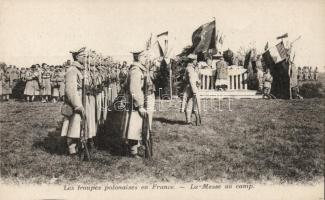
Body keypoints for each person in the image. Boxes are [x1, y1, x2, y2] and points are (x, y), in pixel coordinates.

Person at [121, 50, 150, 158]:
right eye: (144, 56)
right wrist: (140, 106)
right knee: (134, 127)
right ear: (139, 57)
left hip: (137, 101)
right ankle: (133, 151)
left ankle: (135, 147)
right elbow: (134, 89)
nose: (146, 58)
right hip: (135, 103)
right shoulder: (136, 70)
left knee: (137, 126)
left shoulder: (139, 69)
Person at [60, 47, 86, 155]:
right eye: (83, 56)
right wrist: (77, 105)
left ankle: (77, 146)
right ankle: (71, 149)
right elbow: (70, 90)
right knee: (73, 125)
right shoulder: (72, 70)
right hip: (75, 101)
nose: (85, 58)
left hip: (80, 99)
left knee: (78, 125)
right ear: (77, 57)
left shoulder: (79, 69)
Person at [181, 54, 201, 125]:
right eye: (195, 60)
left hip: (193, 87)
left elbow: (196, 78)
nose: (196, 61)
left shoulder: (193, 68)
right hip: (191, 88)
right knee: (193, 104)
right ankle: (193, 120)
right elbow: (191, 80)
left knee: (191, 103)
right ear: (193, 61)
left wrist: (198, 81)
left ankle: (190, 120)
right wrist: (194, 91)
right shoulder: (190, 68)